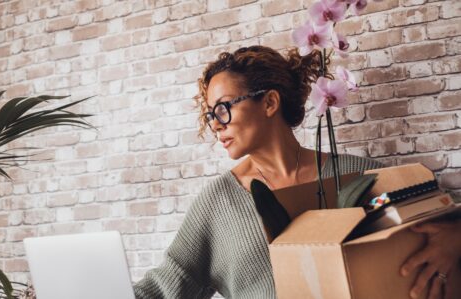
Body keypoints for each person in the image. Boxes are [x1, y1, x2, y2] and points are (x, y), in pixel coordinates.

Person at [133, 46, 461, 299]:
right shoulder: (218, 204)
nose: (216, 124)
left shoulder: (359, 174)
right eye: (209, 115)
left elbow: (439, 217)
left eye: (223, 108)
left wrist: (455, 238)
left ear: (270, 103)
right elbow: (165, 286)